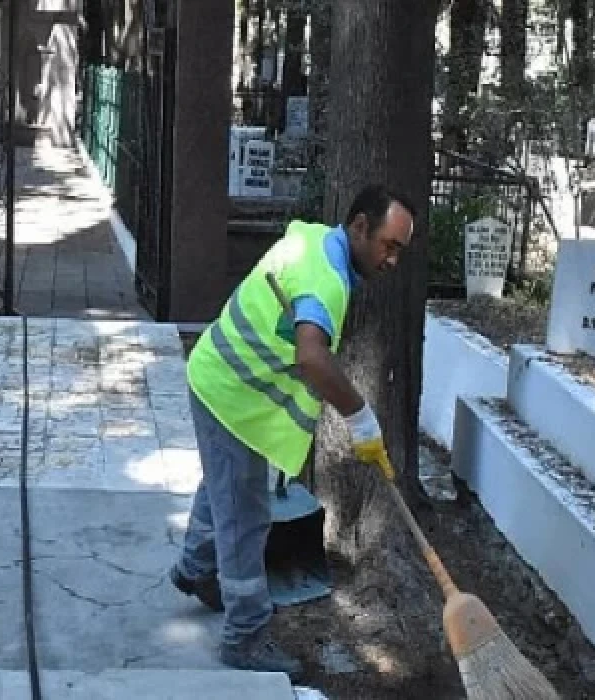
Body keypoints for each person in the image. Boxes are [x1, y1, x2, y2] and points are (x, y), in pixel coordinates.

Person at [169, 184, 415, 676]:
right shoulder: (325, 279)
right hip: (230, 392)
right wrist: (361, 417)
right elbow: (311, 357)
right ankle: (245, 636)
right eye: (389, 245)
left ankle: (195, 568)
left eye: (400, 251)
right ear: (360, 227)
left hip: (231, 386)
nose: (392, 260)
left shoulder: (320, 243)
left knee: (224, 484)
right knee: (245, 515)